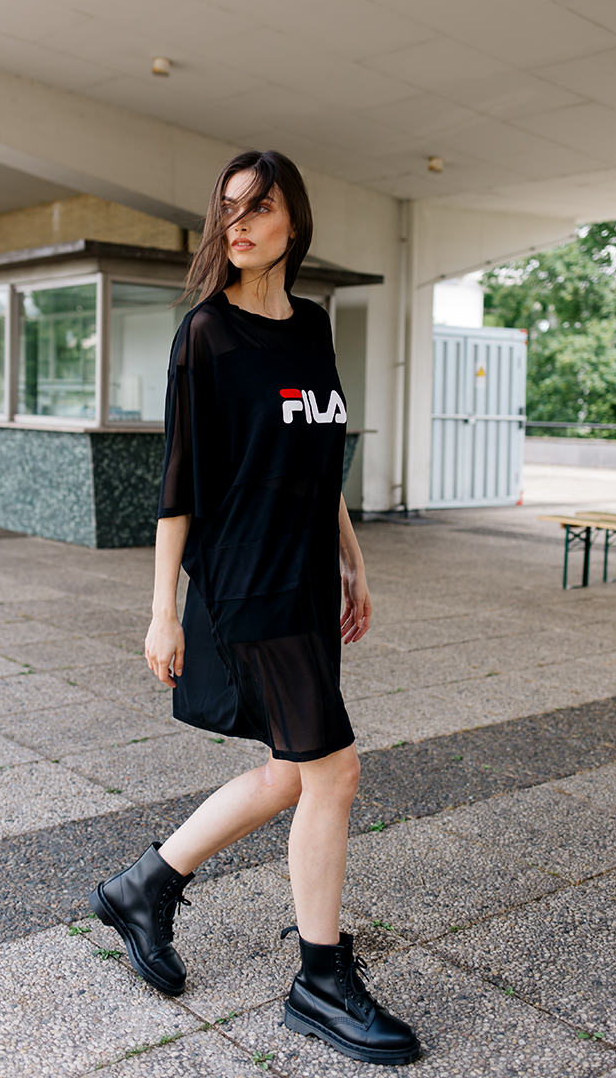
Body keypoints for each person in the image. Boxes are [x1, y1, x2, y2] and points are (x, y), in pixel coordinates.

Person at [89, 149, 420, 1067]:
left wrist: (353, 564)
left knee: (289, 774)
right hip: (246, 582)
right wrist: (162, 610)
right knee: (334, 772)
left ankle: (142, 888)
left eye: (258, 208)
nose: (238, 224)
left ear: (292, 222)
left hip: (307, 579)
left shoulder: (311, 327)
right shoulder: (207, 334)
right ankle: (320, 981)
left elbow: (320, 458)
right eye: (228, 209)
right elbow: (178, 484)